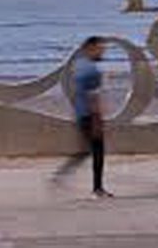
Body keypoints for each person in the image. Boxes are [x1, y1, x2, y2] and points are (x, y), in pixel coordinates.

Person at [53, 36, 112, 198]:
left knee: (86, 150)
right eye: (100, 49)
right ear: (90, 48)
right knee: (97, 151)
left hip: (80, 114)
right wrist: (97, 120)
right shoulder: (92, 71)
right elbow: (93, 98)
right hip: (90, 116)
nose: (103, 52)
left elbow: (77, 93)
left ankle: (61, 174)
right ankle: (97, 189)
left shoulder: (79, 66)